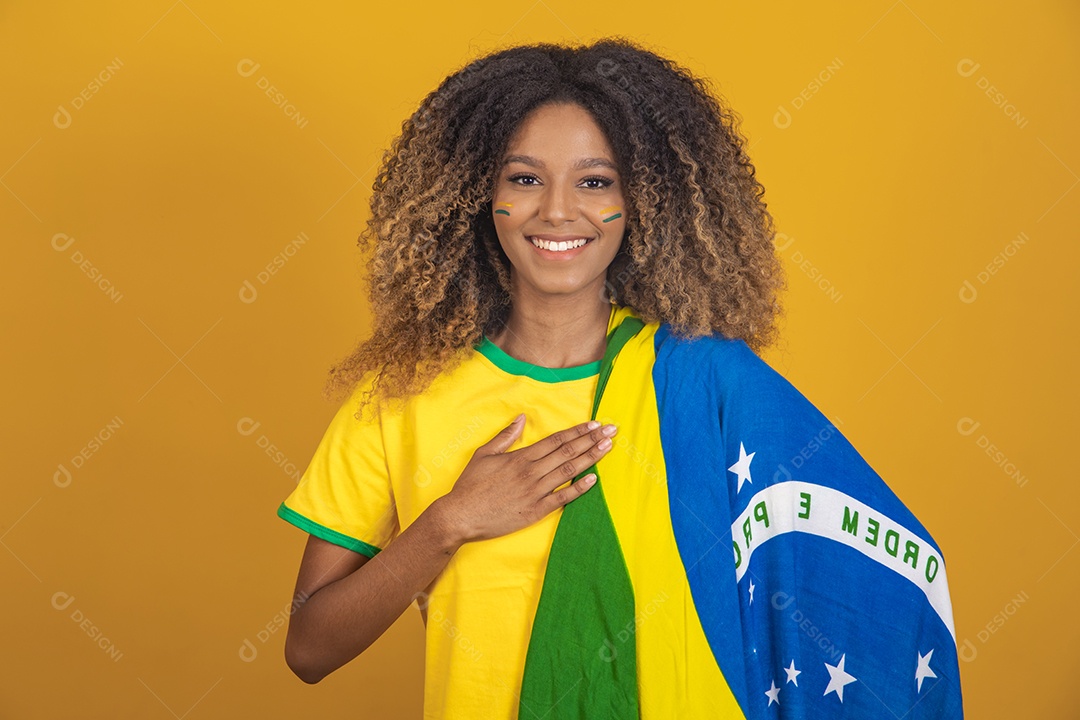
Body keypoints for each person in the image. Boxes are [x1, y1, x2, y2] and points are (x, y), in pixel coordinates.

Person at [275, 37, 964, 719]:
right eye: (524, 178)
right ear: (477, 195)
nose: (557, 210)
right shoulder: (401, 397)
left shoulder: (708, 385)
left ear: (643, 201)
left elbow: (871, 563)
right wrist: (449, 523)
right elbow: (308, 648)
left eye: (595, 181)